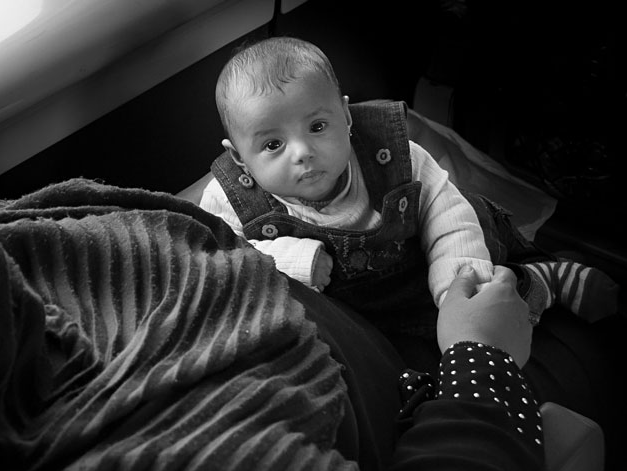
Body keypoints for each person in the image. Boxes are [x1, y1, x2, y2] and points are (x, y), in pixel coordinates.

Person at [0, 94, 623, 471]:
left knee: (407, 139)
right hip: (408, 376)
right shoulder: (171, 464)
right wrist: (480, 354)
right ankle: (555, 262)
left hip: (311, 296)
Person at [200, 37, 619, 338]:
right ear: (240, 157)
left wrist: (459, 284)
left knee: (489, 294)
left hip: (424, 271)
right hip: (352, 319)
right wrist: (289, 260)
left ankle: (541, 281)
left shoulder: (392, 154)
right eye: (273, 144)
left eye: (317, 126)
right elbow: (219, 258)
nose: (303, 152)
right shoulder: (230, 199)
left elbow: (445, 209)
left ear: (345, 116)